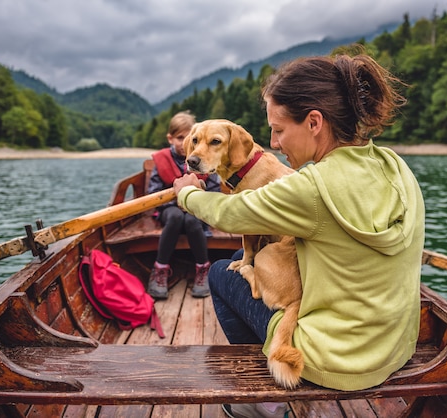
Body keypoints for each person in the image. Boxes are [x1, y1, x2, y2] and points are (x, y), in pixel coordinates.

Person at [173, 50, 425, 418]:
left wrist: (187, 193)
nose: (274, 143)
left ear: (314, 122)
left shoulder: (311, 186)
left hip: (333, 359)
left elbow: (230, 213)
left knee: (217, 274)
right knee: (238, 262)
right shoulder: (396, 166)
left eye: (278, 130)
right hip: (394, 348)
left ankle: (268, 401)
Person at [147, 111, 221, 299]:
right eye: (181, 138)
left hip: (196, 210)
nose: (186, 142)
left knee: (191, 220)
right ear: (170, 139)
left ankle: (203, 268)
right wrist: (177, 200)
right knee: (176, 216)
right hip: (169, 209)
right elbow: (153, 193)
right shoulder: (162, 159)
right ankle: (160, 268)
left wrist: (194, 200)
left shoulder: (204, 159)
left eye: (191, 138)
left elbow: (214, 191)